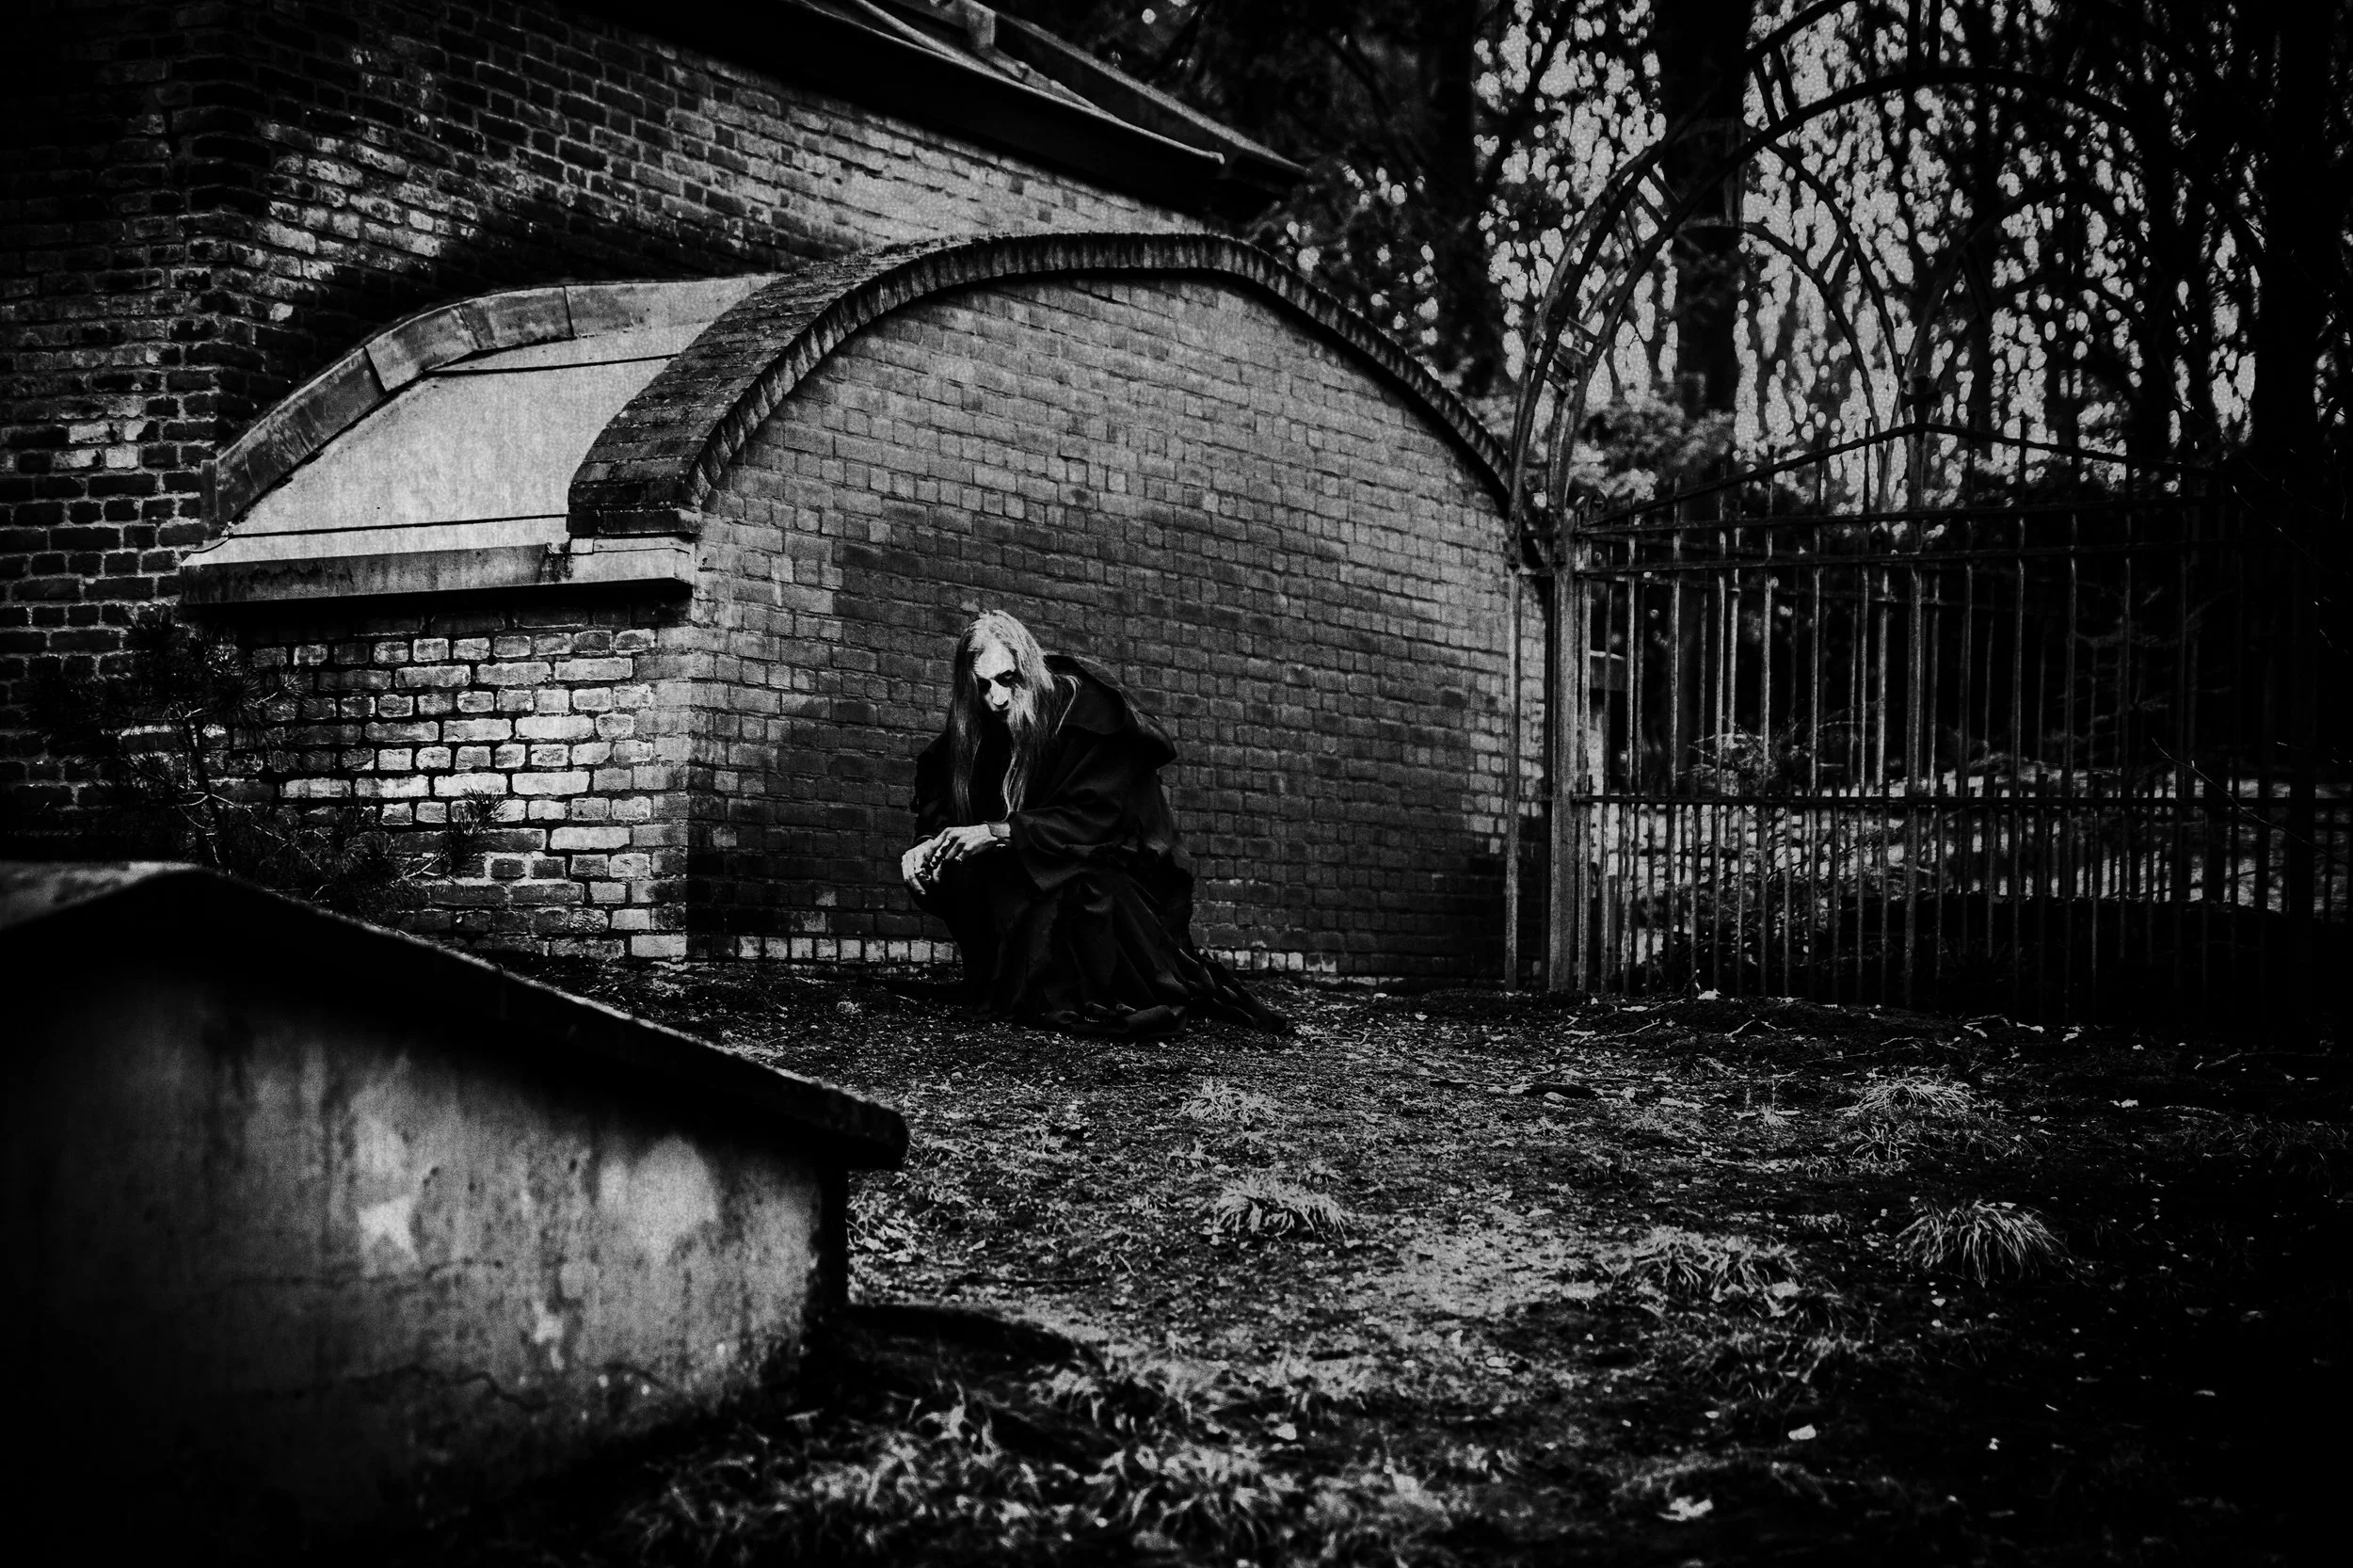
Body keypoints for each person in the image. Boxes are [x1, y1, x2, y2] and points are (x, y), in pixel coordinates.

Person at [902, 611, 1286, 1035]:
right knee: (969, 868)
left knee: (1074, 889)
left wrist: (999, 833)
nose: (997, 698)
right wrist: (927, 843)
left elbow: (1097, 818)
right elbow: (943, 787)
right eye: (982, 686)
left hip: (1115, 869)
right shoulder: (981, 722)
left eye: (1008, 679)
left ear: (1028, 668)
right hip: (1045, 860)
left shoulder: (1083, 709)